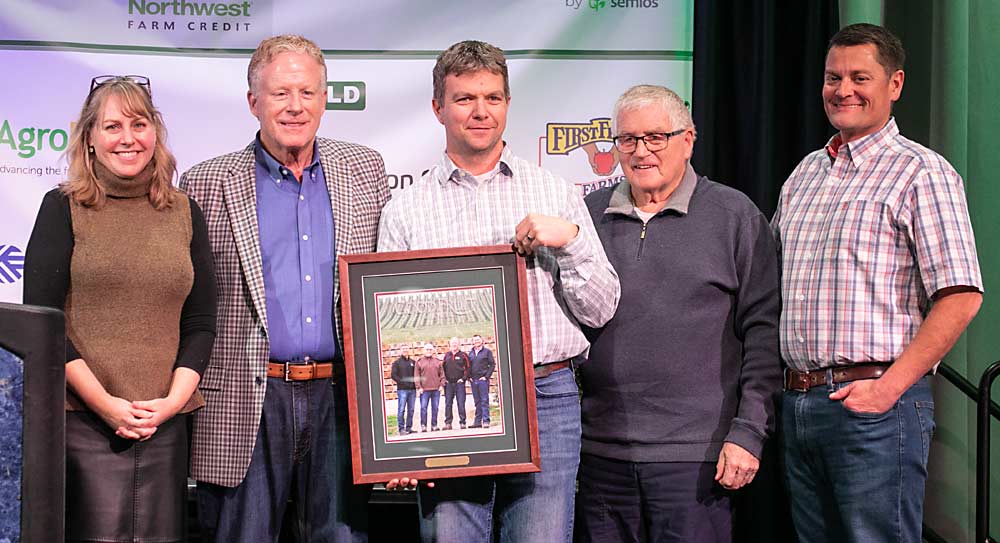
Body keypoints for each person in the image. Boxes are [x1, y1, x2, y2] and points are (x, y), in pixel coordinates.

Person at [378, 39, 620, 543]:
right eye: (465, 99)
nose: (480, 111)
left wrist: (570, 242)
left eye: (492, 97)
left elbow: (601, 309)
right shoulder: (405, 209)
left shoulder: (556, 192)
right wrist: (394, 438)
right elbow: (389, 338)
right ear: (438, 108)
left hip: (546, 395)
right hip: (448, 397)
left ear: (508, 103)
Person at [772, 23, 983, 543]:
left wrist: (889, 389)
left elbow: (961, 296)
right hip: (800, 404)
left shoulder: (922, 173)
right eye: (832, 77)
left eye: (860, 77)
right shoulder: (804, 175)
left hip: (874, 406)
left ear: (895, 84)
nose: (843, 90)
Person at [179, 34, 391, 541]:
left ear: (324, 98)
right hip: (245, 401)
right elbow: (186, 304)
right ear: (253, 102)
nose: (295, 107)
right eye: (280, 94)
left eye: (307, 92)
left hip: (340, 399)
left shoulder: (365, 169)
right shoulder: (205, 182)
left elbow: (386, 288)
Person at [577, 84, 782, 543]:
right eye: (627, 139)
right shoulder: (587, 216)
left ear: (688, 140)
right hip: (601, 452)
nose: (640, 151)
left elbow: (764, 334)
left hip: (697, 456)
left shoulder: (735, 216)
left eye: (656, 137)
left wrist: (748, 431)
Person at [23, 75, 217, 542]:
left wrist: (171, 403)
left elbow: (201, 323)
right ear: (89, 138)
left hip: (164, 427)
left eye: (139, 123)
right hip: (81, 426)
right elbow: (43, 324)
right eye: (112, 126)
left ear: (156, 132)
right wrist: (106, 406)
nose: (128, 138)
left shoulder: (185, 212)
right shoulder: (62, 208)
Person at [416, 342, 445, 432]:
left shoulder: (437, 361)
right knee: (423, 408)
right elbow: (416, 376)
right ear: (423, 351)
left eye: (430, 349)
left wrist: (441, 385)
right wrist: (419, 387)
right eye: (427, 349)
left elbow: (442, 375)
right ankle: (423, 425)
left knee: (435, 408)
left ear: (433, 351)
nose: (429, 351)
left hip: (436, 389)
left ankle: (434, 425)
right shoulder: (419, 362)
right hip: (424, 390)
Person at [467, 334, 495, 428]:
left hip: (482, 380)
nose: (476, 341)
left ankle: (486, 421)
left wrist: (486, 377)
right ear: (472, 342)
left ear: (482, 341)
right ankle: (477, 422)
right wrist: (469, 377)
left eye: (478, 340)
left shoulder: (487, 352)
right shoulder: (470, 353)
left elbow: (492, 365)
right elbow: (467, 366)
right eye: (474, 340)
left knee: (484, 400)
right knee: (477, 401)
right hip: (473, 380)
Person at [442, 337, 470, 430]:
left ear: (459, 344)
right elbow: (443, 369)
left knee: (461, 403)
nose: (454, 344)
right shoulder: (446, 355)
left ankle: (462, 422)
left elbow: (468, 368)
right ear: (449, 345)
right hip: (449, 384)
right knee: (448, 403)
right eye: (452, 343)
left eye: (456, 343)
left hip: (459, 384)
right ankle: (448, 423)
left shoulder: (463, 355)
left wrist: (463, 379)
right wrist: (444, 379)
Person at [391, 346, 418, 435]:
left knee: (411, 410)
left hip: (412, 390)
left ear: (409, 350)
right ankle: (401, 429)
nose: (405, 350)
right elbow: (393, 375)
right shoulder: (397, 363)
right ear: (400, 350)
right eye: (403, 349)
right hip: (402, 390)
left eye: (407, 349)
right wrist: (402, 382)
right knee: (401, 409)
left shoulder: (413, 362)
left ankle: (409, 428)